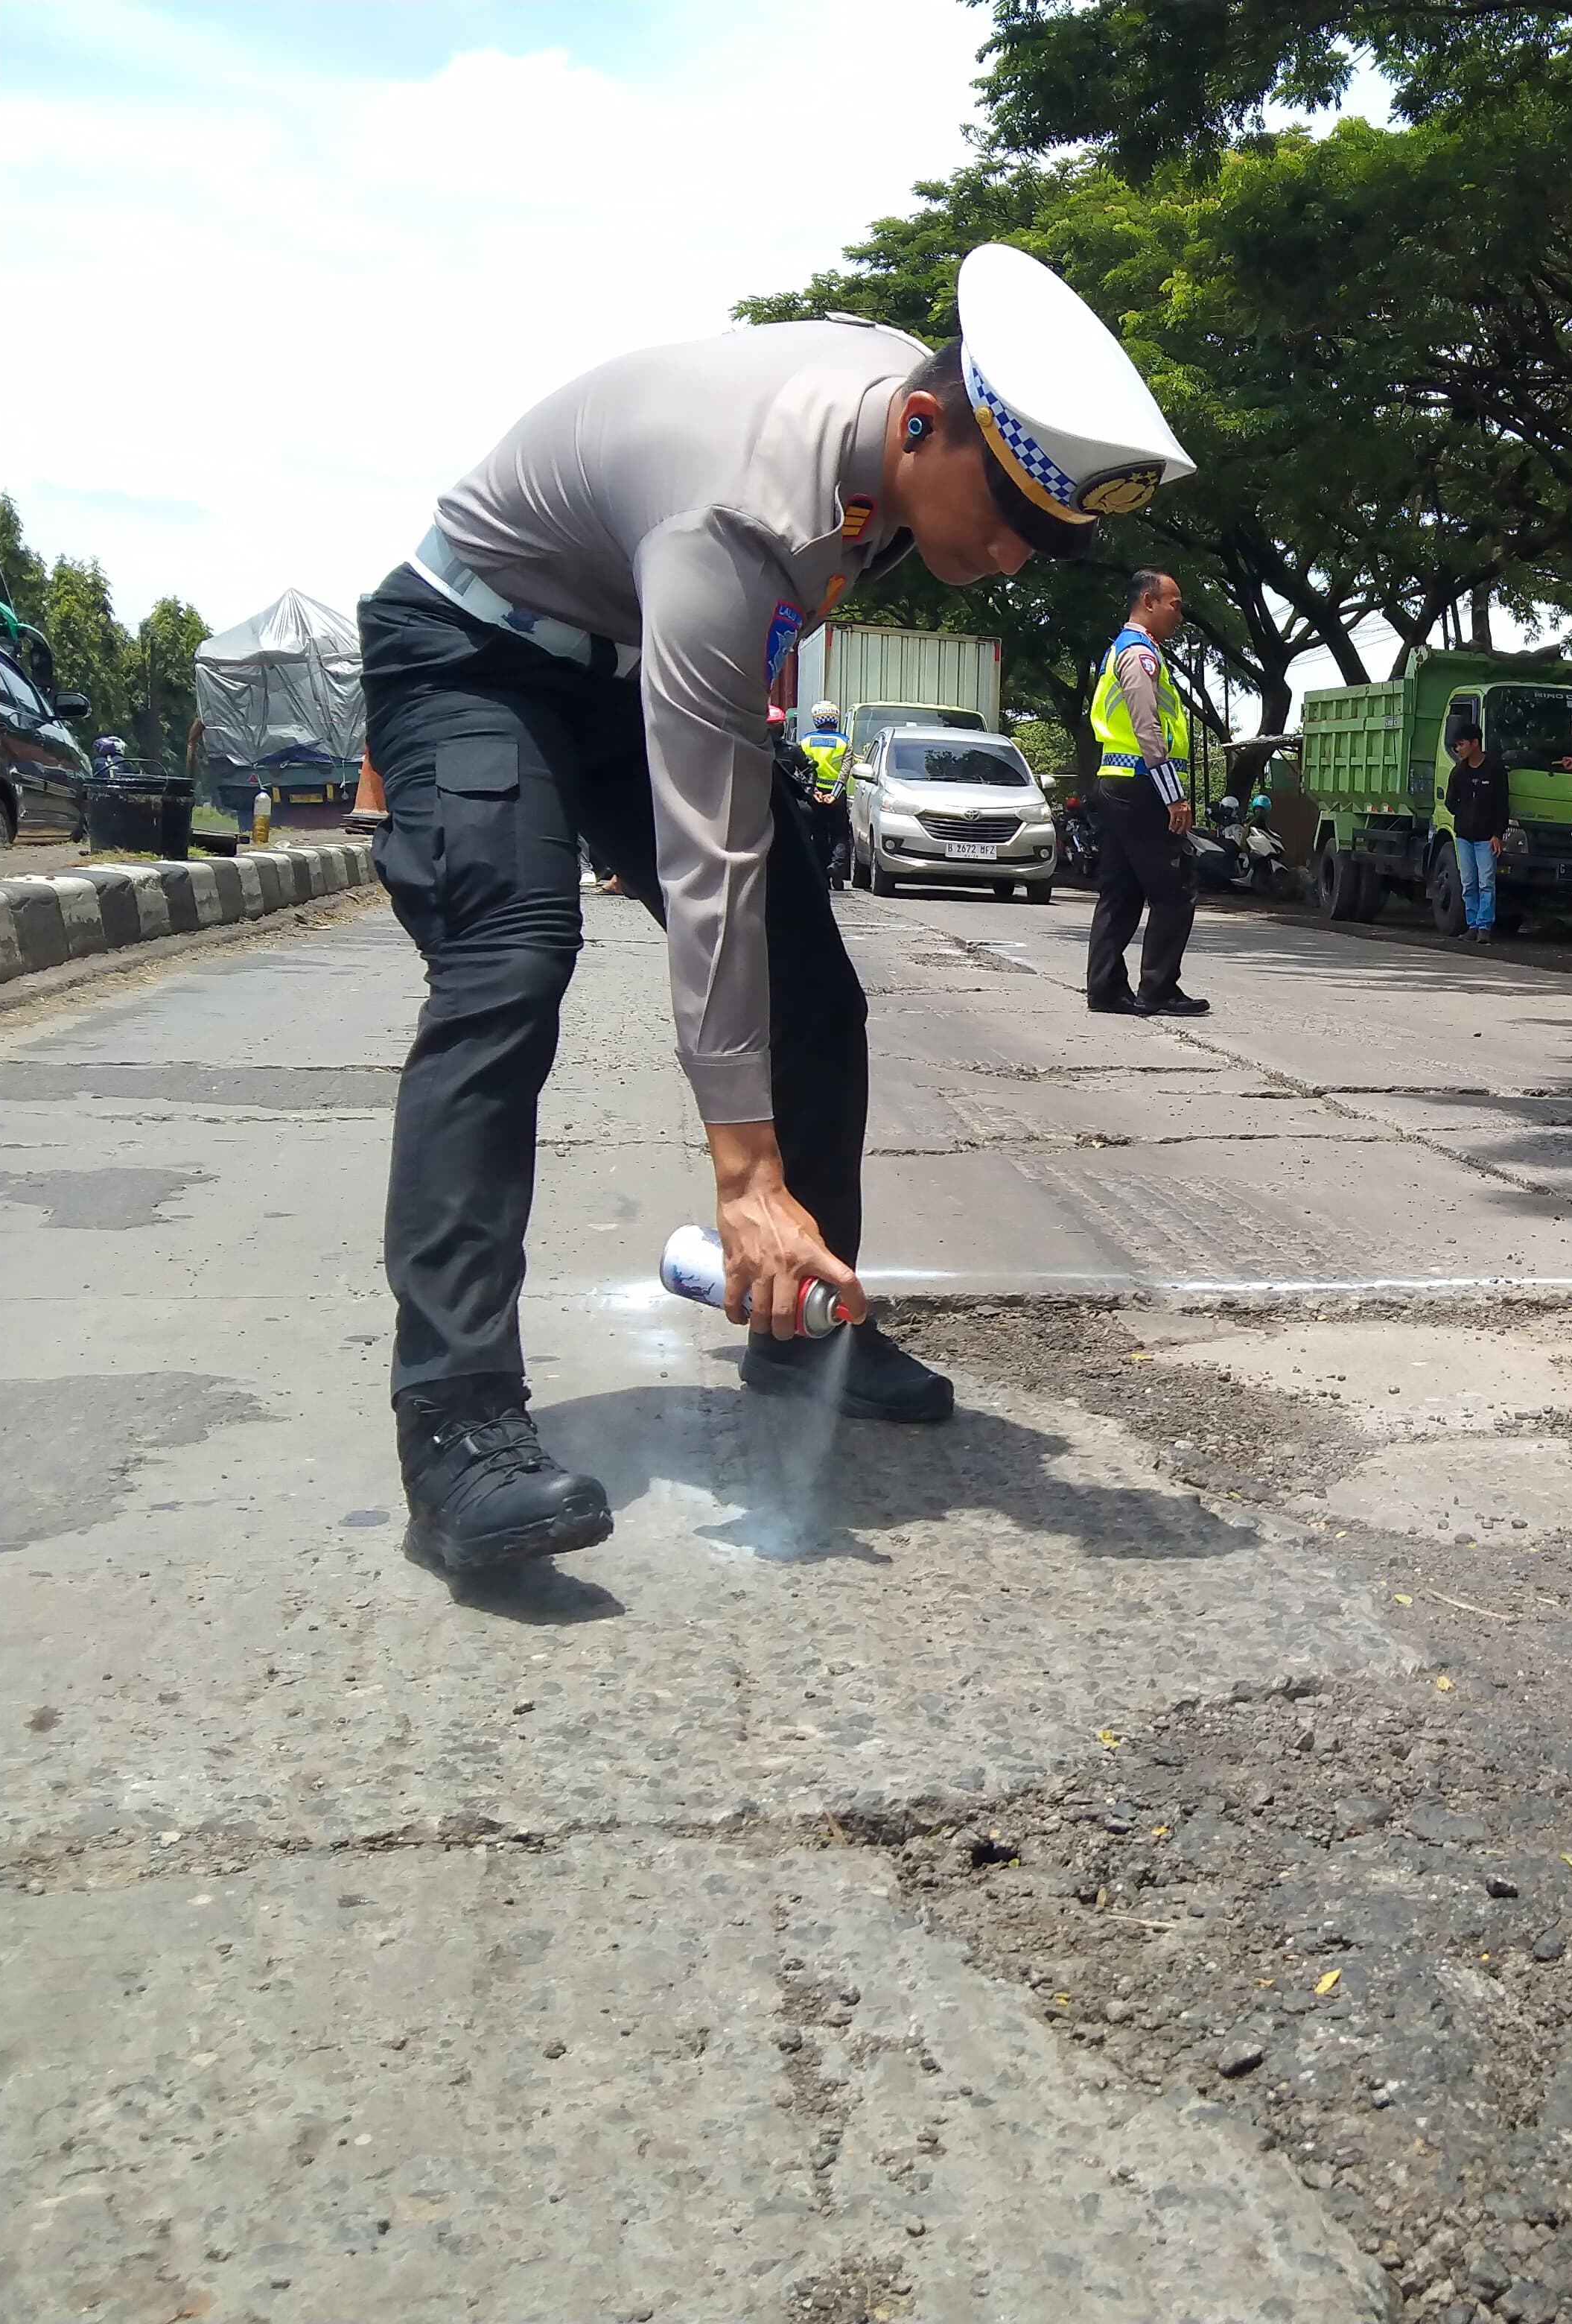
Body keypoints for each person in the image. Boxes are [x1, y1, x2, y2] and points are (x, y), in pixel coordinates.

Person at [361, 242, 1191, 1574]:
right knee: (509, 964)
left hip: (622, 640)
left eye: (1049, 543)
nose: (1015, 561)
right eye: (1012, 523)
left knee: (816, 991)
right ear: (923, 427)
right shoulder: (737, 520)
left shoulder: (894, 414)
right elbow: (709, 871)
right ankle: (455, 1421)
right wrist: (743, 1178)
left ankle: (804, 1327)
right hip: (475, 648)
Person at [1085, 569, 1209, 1017]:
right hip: (1141, 785)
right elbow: (1147, 728)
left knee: (1120, 891)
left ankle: (1106, 990)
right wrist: (1174, 795)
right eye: (1174, 603)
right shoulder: (1140, 655)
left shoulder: (1123, 648)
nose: (1179, 612)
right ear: (1148, 601)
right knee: (1175, 890)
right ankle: (1159, 989)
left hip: (1118, 782)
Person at [1443, 722, 1509, 943]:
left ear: (1475, 743)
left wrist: (1497, 833)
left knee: (1486, 882)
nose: (1457, 749)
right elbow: (1450, 802)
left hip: (1487, 838)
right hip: (1463, 837)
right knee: (1468, 882)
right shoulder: (1458, 772)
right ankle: (1472, 925)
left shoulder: (1495, 769)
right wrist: (1464, 813)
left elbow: (1502, 804)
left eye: (1461, 744)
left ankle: (1484, 927)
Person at [796, 699, 853, 889]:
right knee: (839, 833)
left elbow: (802, 770)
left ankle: (822, 873)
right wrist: (834, 794)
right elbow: (845, 771)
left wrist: (814, 792)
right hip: (836, 795)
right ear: (835, 719)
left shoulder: (805, 741)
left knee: (819, 833)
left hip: (815, 795)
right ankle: (836, 868)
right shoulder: (844, 742)